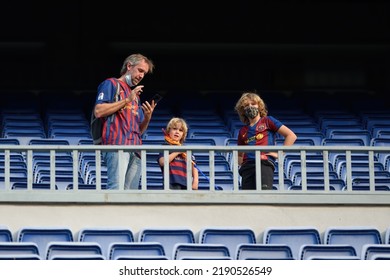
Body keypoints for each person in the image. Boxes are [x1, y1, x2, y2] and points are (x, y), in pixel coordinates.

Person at [93, 53, 156, 190]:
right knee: (116, 190)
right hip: (117, 146)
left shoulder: (135, 96)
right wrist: (127, 100)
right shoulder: (111, 84)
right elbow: (98, 111)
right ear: (129, 66)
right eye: (140, 70)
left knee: (131, 196)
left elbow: (139, 130)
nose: (141, 76)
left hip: (136, 149)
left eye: (144, 73)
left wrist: (147, 117)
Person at [234, 92, 297, 190]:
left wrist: (280, 153)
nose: (250, 107)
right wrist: (243, 164)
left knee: (264, 195)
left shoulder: (268, 121)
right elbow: (239, 154)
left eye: (253, 104)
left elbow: (291, 135)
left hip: (264, 163)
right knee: (248, 200)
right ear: (243, 110)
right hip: (247, 167)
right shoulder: (242, 131)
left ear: (259, 106)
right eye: (246, 105)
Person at [157, 117, 199, 190]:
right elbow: (162, 162)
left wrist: (195, 181)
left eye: (180, 130)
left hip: (186, 183)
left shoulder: (187, 150)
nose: (177, 132)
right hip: (170, 183)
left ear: (183, 134)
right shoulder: (165, 147)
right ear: (168, 131)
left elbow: (194, 166)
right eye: (174, 129)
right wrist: (177, 151)